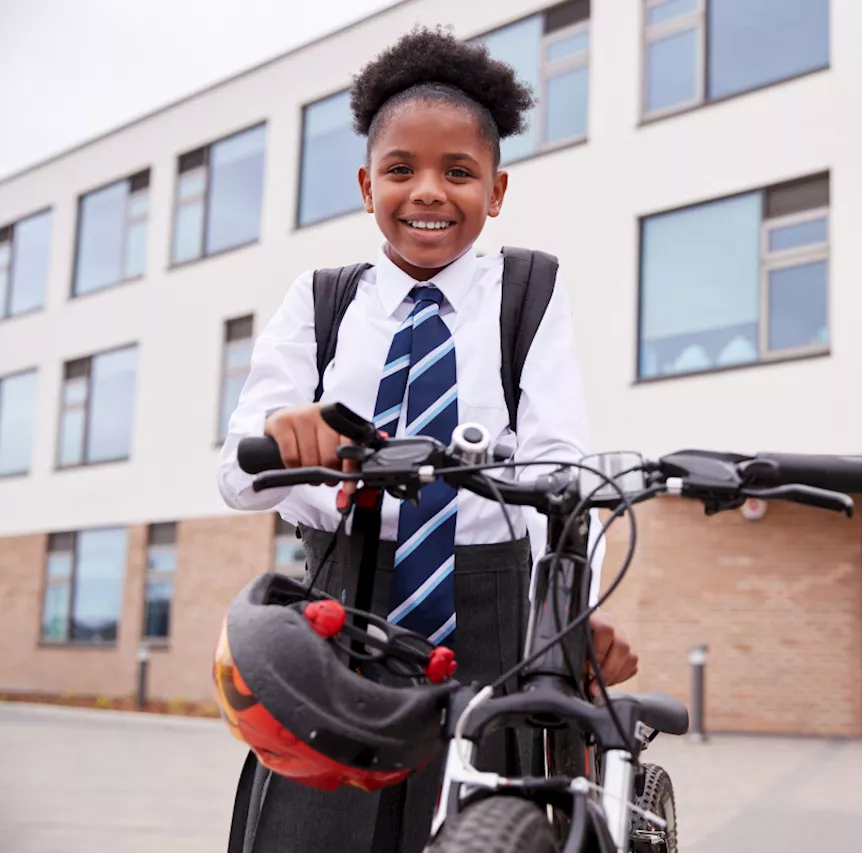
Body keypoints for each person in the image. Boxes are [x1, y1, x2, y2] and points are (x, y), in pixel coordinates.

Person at [216, 25, 637, 853]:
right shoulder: (322, 300)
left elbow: (563, 471)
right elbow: (236, 472)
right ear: (368, 182)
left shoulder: (528, 291)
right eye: (402, 171)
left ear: (497, 188)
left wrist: (566, 613)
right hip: (343, 616)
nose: (428, 193)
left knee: (492, 826)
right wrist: (291, 447)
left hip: (494, 623)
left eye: (458, 172)